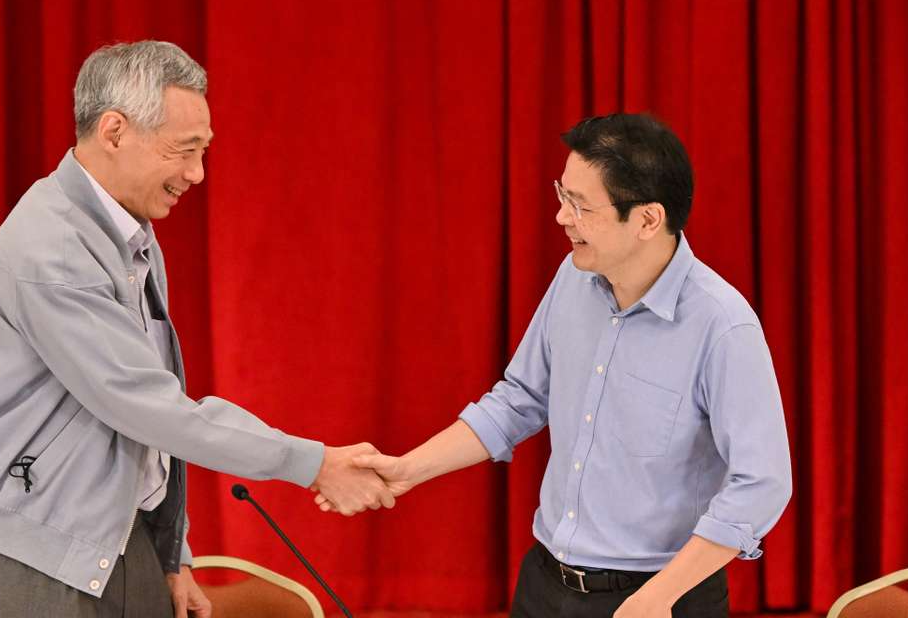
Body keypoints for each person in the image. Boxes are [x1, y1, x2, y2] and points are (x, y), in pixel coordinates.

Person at [0, 40, 393, 618]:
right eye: (184, 151)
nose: (196, 173)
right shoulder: (51, 246)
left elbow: (145, 426)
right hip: (41, 554)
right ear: (114, 131)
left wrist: (171, 553)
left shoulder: (129, 230)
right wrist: (314, 463)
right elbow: (148, 407)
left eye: (203, 151)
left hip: (121, 539)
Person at [334, 114, 792, 618]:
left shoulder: (722, 325)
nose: (561, 217)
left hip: (657, 598)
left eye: (581, 205)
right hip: (545, 583)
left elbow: (762, 483)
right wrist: (407, 469)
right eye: (562, 195)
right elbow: (518, 400)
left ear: (647, 220)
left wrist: (659, 598)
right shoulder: (574, 279)